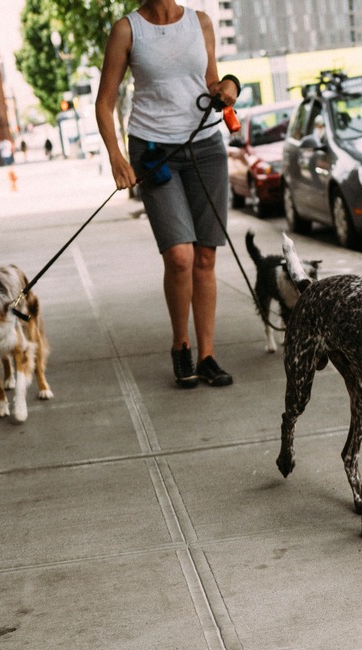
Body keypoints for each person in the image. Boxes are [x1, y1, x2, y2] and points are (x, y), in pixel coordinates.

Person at [96, 0, 240, 388]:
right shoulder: (127, 30)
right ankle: (181, 346)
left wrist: (227, 87)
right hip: (155, 151)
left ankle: (208, 355)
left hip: (206, 147)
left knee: (205, 255)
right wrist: (116, 157)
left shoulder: (201, 22)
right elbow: (104, 103)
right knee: (180, 256)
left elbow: (210, 83)